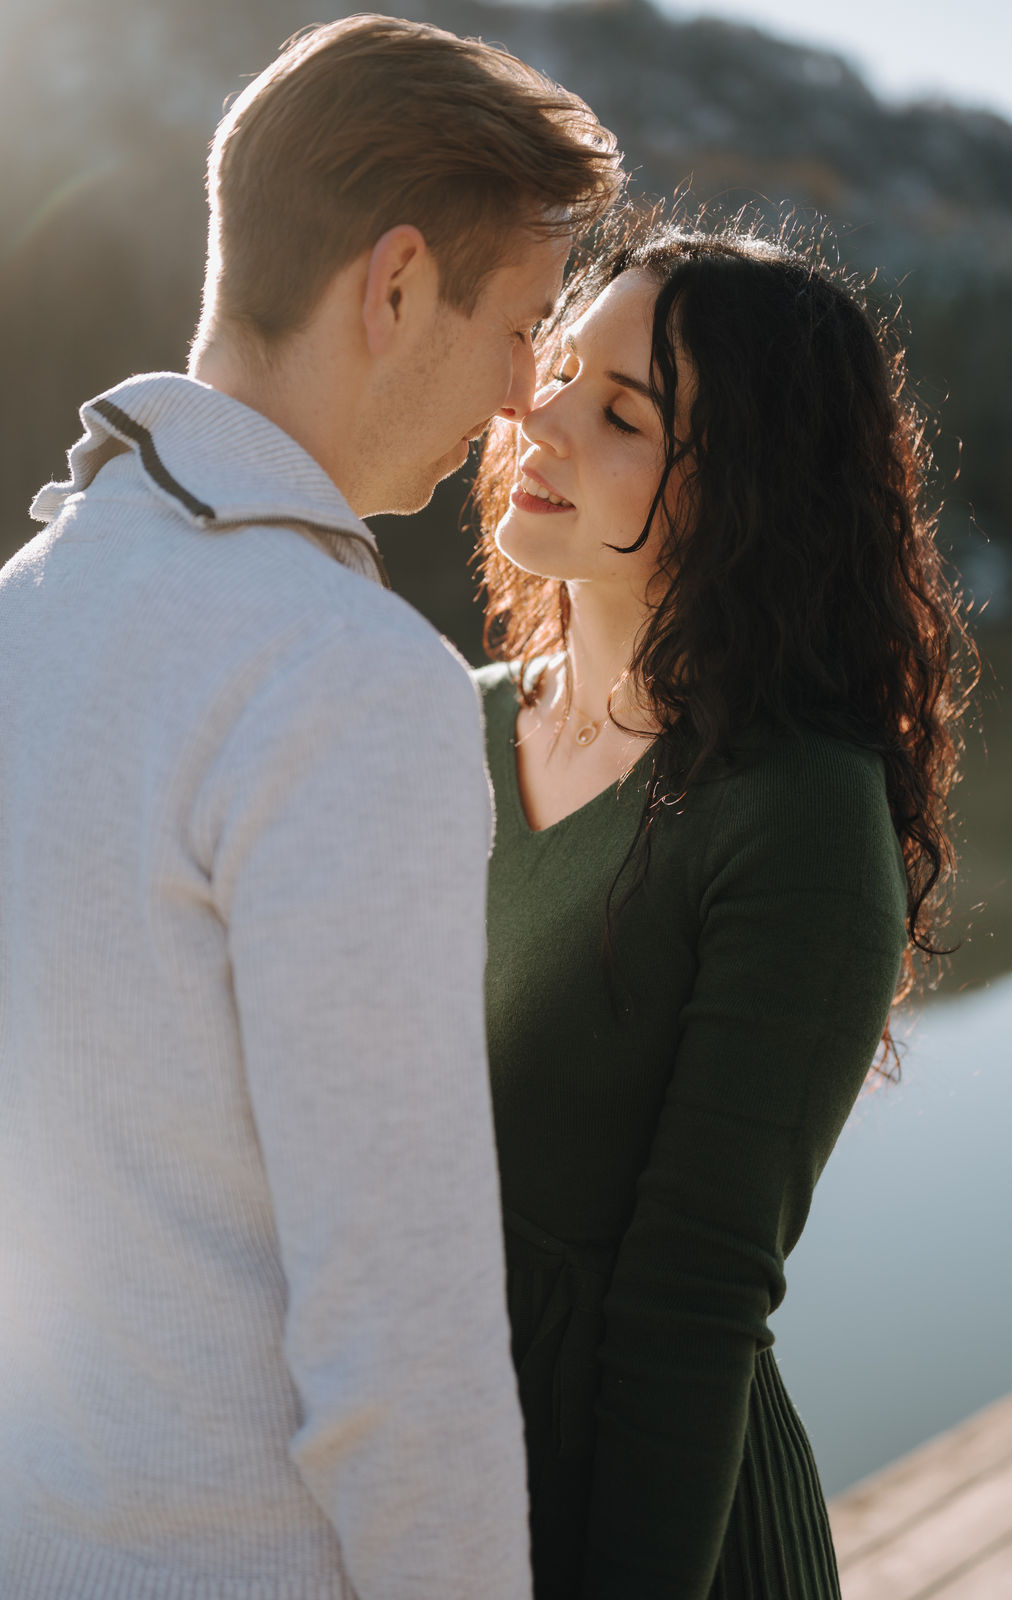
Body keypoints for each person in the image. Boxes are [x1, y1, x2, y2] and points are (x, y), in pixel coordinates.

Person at [0, 16, 620, 1600]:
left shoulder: (24, 609)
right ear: (395, 283)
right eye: (520, 325)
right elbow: (396, 1333)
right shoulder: (351, 684)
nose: (513, 398)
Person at [472, 217, 972, 1598]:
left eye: (621, 412)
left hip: (643, 1540)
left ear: (739, 491)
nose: (540, 417)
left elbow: (691, 1304)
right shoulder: (429, 734)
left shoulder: (792, 815)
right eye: (559, 369)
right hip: (417, 1494)